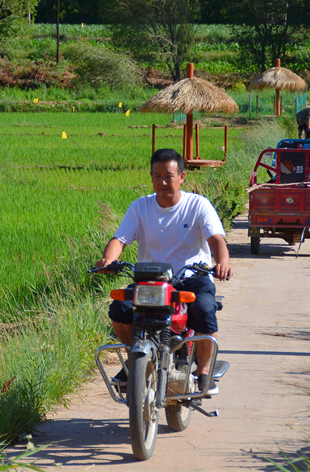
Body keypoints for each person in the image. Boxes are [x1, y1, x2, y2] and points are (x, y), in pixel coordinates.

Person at [95, 148, 232, 396]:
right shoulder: (140, 207)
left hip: (191, 277)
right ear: (151, 177)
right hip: (151, 281)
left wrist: (222, 262)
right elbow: (120, 239)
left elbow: (216, 240)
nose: (163, 181)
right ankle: (135, 360)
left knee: (203, 308)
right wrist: (108, 259)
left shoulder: (198, 205)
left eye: (168, 175)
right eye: (157, 176)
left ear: (182, 176)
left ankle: (203, 371)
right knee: (120, 308)